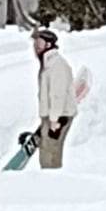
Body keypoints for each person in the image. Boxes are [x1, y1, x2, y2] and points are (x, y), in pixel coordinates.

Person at [32, 27, 76, 169]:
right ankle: (50, 181)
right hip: (52, 116)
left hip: (59, 116)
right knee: (47, 150)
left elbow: (58, 95)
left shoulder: (57, 65)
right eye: (35, 43)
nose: (36, 47)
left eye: (39, 43)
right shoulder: (47, 64)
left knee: (50, 154)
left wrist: (54, 120)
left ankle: (51, 183)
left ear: (49, 45)